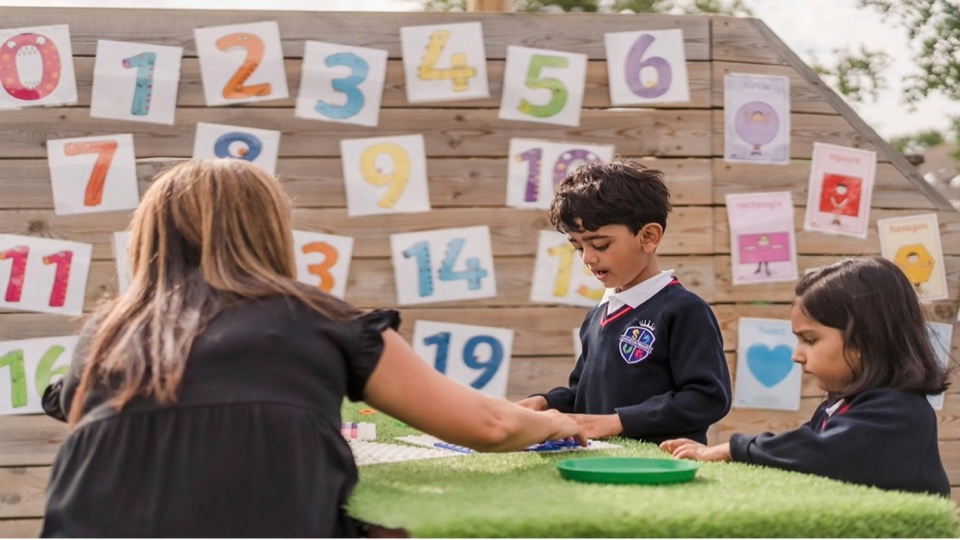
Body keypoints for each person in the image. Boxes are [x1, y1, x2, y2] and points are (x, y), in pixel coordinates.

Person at [39, 158, 586, 538]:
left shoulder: (104, 333)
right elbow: (488, 426)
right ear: (271, 229)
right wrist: (557, 422)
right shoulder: (319, 320)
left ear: (149, 236)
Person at [660, 257, 951, 497]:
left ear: (865, 341)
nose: (796, 356)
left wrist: (733, 449)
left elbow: (820, 451)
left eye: (809, 340)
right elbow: (805, 442)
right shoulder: (840, 405)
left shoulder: (899, 414)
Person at [516, 160, 732, 444]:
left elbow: (708, 398)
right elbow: (584, 394)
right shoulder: (596, 316)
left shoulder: (684, 310)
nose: (588, 258)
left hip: (661, 469)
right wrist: (544, 403)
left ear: (648, 237)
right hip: (601, 464)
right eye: (578, 246)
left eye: (600, 245)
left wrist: (619, 422)